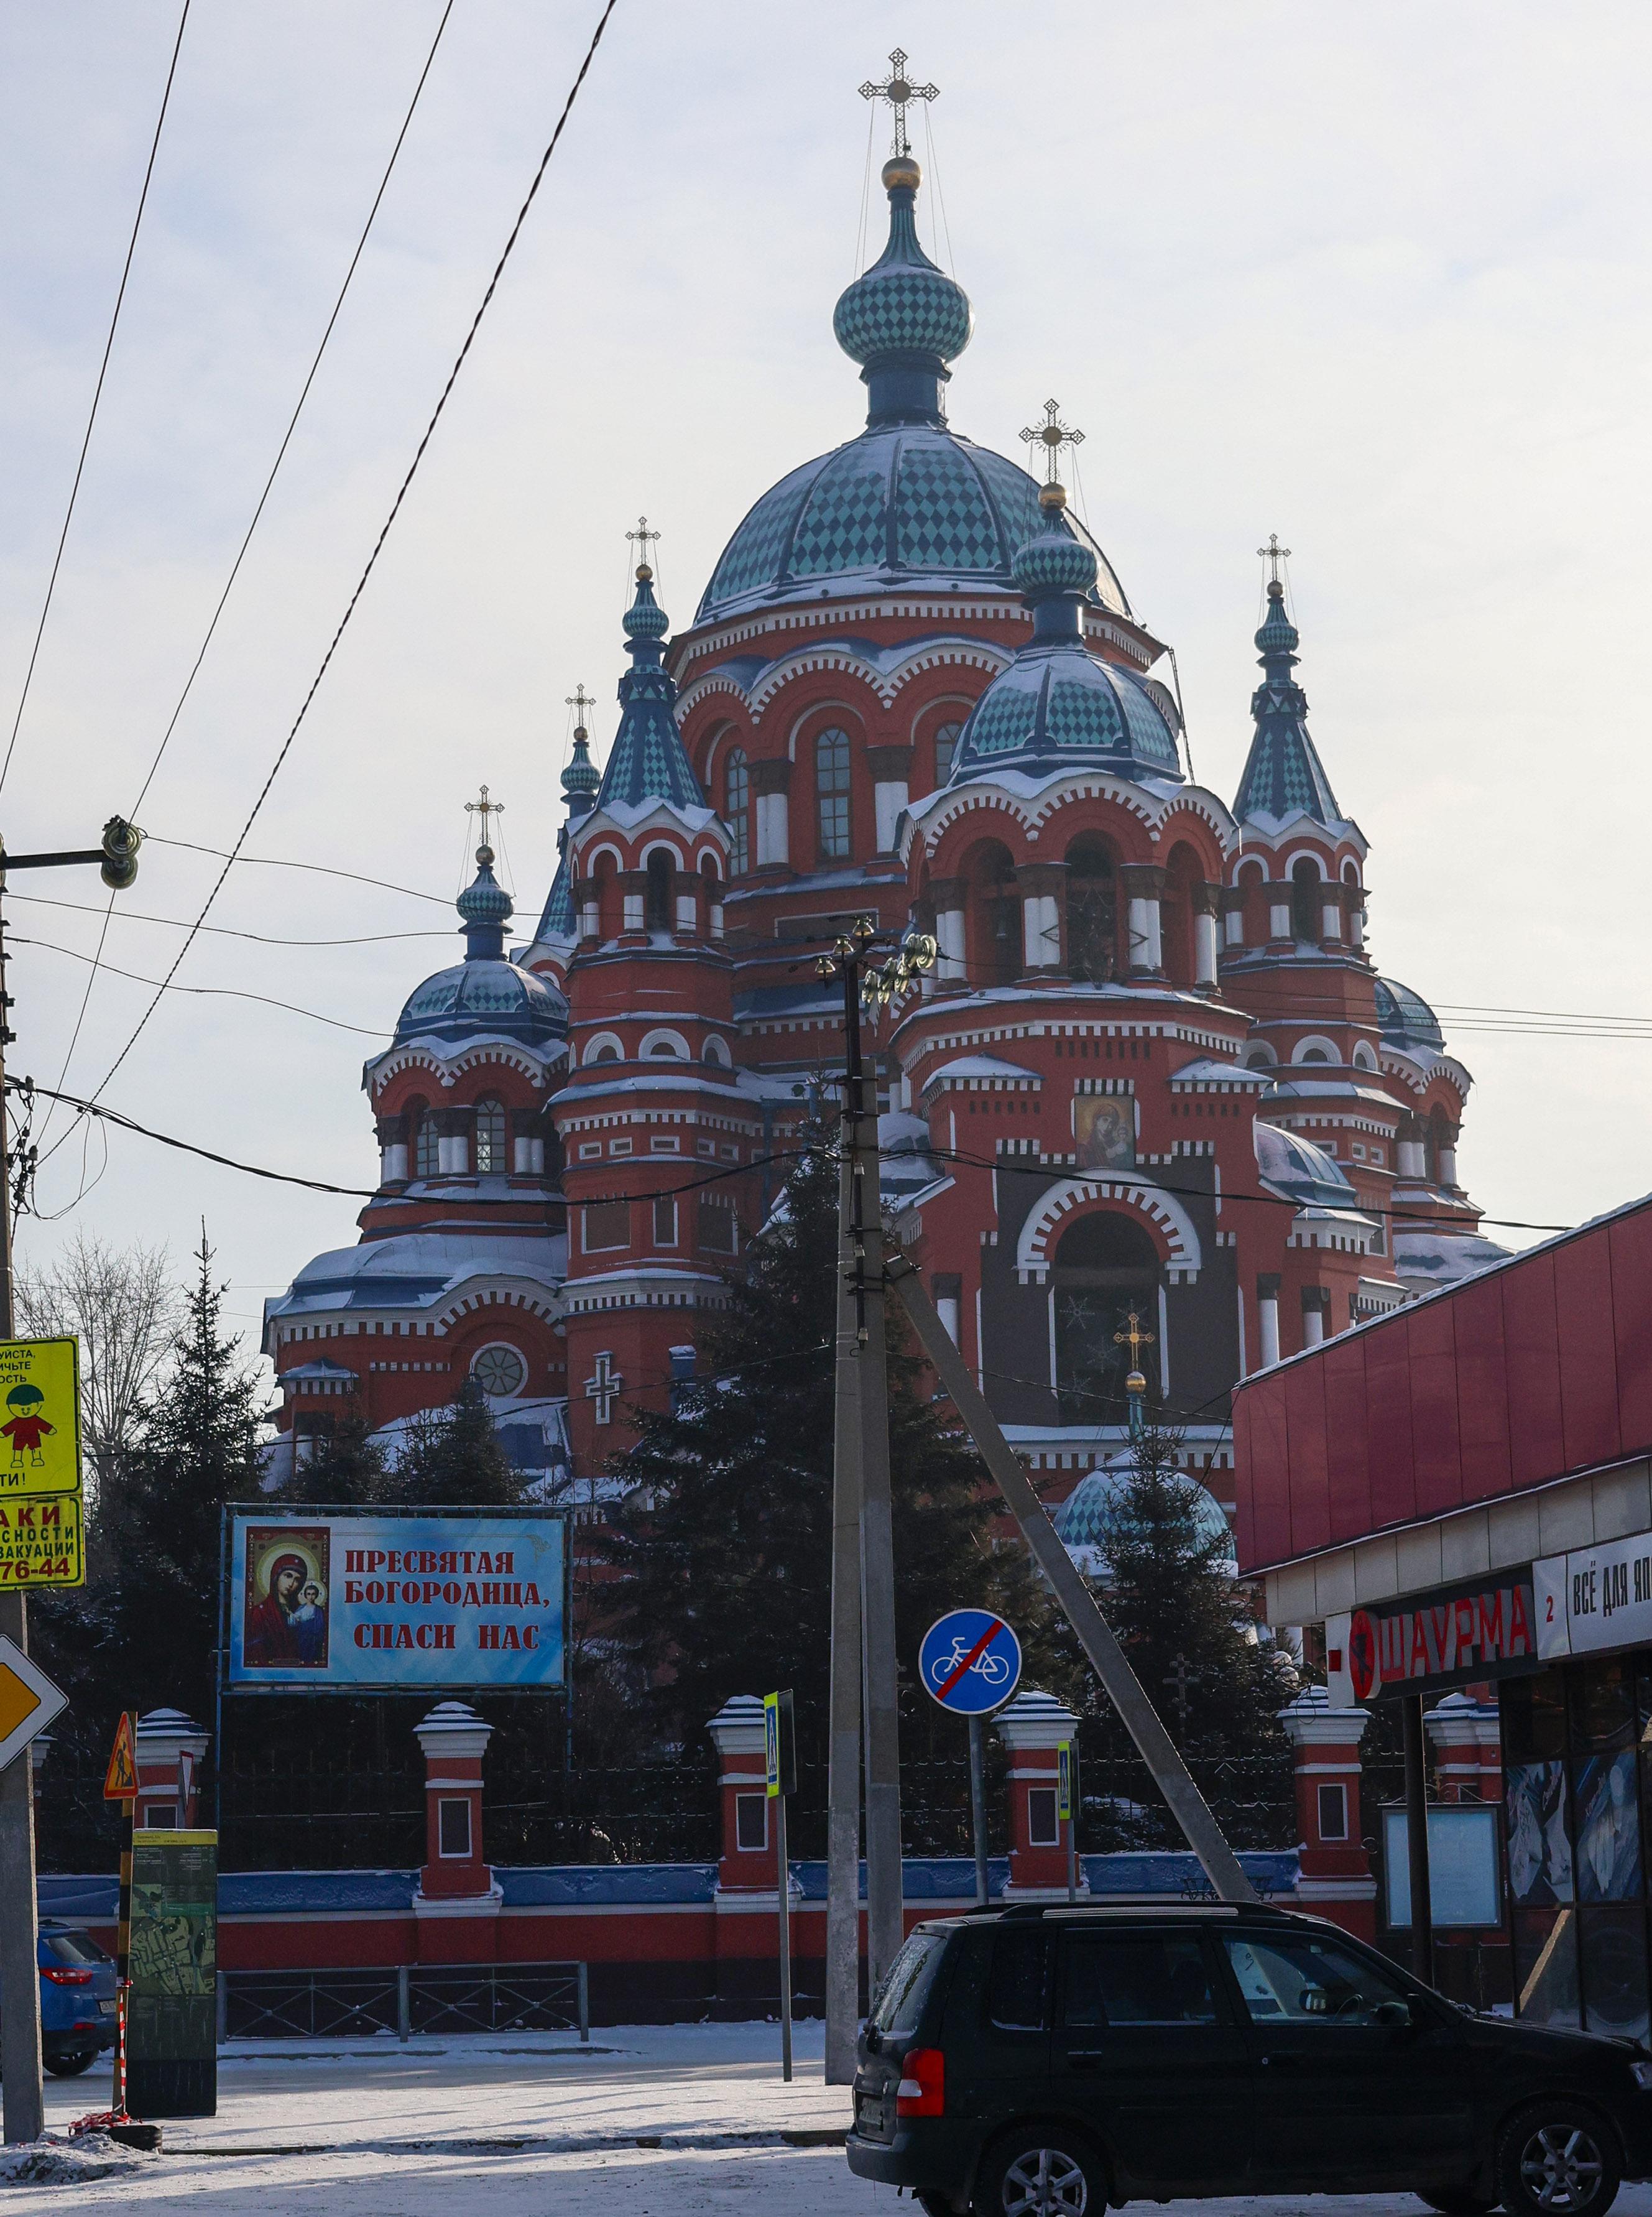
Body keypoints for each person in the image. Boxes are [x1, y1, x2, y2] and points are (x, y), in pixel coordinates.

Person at [244, 1553, 307, 1667]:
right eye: (288, 1576)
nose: (291, 1583)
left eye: (297, 1580)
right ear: (276, 1576)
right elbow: (255, 1649)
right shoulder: (260, 1612)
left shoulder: (302, 1611)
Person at [1, 1382, 55, 1466]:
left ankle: (37, 1459)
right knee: (18, 1449)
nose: (25, 1411)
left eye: (28, 1408)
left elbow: (43, 1424)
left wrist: (50, 1429)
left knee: (36, 1448)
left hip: (33, 1437)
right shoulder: (17, 1421)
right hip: (19, 1438)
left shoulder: (35, 1420)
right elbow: (10, 1427)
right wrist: (3, 1432)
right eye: (22, 1409)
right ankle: (17, 1461)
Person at [290, 1580, 328, 1667]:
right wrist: (294, 1619)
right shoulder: (301, 1608)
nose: (311, 1597)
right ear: (305, 1595)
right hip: (302, 1637)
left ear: (317, 1595)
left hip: (313, 1639)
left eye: (313, 1594)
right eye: (309, 1594)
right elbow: (294, 1623)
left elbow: (320, 1626)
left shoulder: (318, 1610)